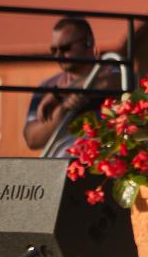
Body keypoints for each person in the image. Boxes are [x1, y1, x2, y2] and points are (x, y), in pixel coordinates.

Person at [23, 16, 121, 157]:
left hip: (103, 162)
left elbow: (118, 81)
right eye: (54, 50)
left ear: (88, 42)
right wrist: (62, 111)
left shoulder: (114, 74)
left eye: (65, 48)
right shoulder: (47, 86)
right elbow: (32, 139)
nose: (58, 55)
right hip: (60, 164)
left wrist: (60, 93)